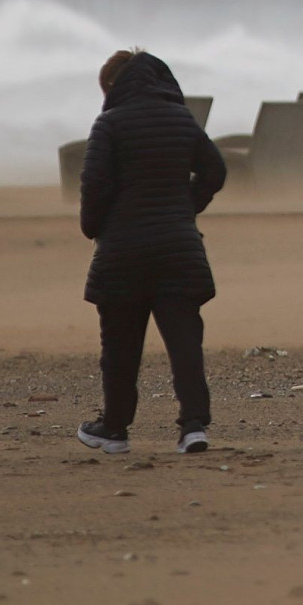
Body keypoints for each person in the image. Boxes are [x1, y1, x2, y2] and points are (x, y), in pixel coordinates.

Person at [76, 48, 227, 454]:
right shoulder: (182, 119)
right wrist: (185, 208)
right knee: (185, 343)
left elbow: (94, 186)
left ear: (112, 86)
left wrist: (95, 227)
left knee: (120, 346)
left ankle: (114, 428)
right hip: (179, 249)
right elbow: (216, 170)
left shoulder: (109, 124)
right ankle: (194, 425)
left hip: (124, 253)